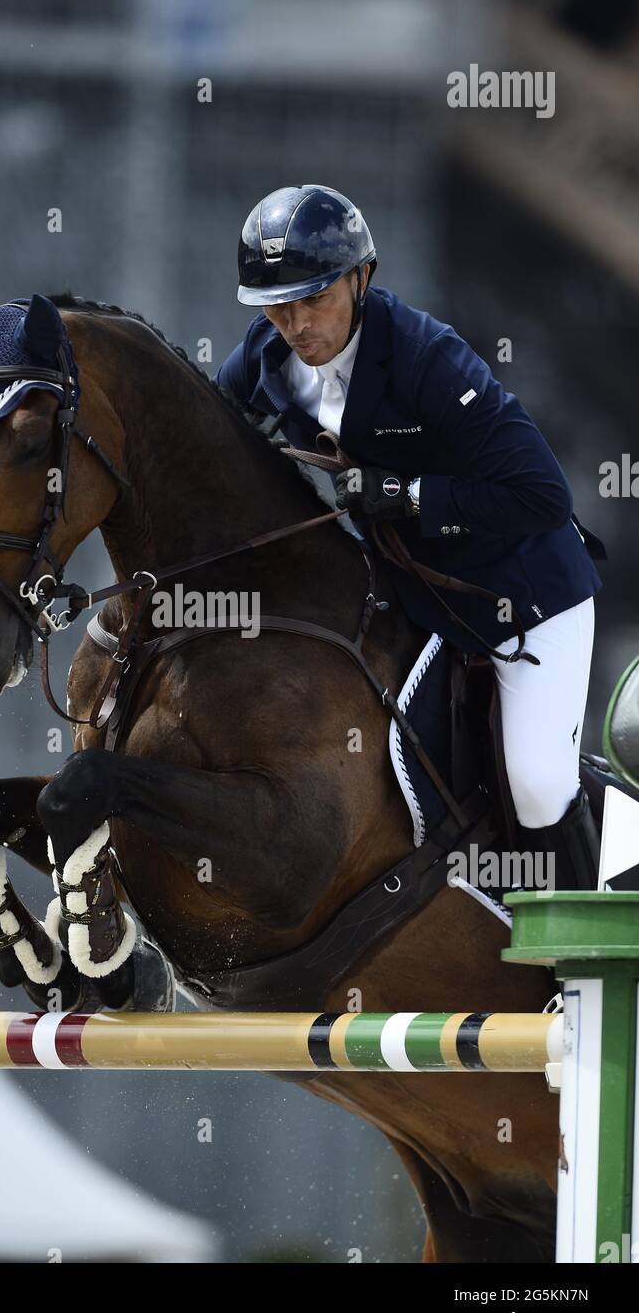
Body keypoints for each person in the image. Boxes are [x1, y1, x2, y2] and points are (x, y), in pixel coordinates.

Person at [216, 183, 606, 890]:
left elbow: (543, 496)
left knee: (538, 781)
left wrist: (410, 495)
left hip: (520, 596)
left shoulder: (428, 358)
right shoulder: (263, 360)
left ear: (360, 278)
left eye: (314, 299)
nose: (297, 324)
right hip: (409, 600)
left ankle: (592, 960)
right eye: (277, 306)